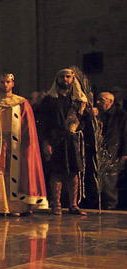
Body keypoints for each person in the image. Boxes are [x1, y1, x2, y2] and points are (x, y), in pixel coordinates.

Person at [0, 74, 47, 216]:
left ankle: (16, 207)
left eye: (8, 82)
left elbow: (28, 126)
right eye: (2, 82)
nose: (5, 85)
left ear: (12, 83)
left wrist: (27, 144)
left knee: (16, 171)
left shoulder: (22, 103)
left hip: (16, 144)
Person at [37, 69, 93, 215]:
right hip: (55, 139)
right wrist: (45, 142)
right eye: (62, 76)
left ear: (72, 79)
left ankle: (73, 205)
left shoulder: (78, 101)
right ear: (57, 79)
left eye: (68, 77)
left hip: (73, 139)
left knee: (73, 172)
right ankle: (56, 204)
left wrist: (91, 114)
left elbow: (84, 121)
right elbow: (43, 123)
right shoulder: (49, 100)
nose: (65, 79)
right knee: (56, 172)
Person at [97, 92, 127, 209]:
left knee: (110, 179)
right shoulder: (98, 114)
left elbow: (125, 134)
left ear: (110, 101)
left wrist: (124, 152)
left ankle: (110, 204)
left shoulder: (121, 115)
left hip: (113, 150)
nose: (98, 102)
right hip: (99, 150)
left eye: (101, 100)